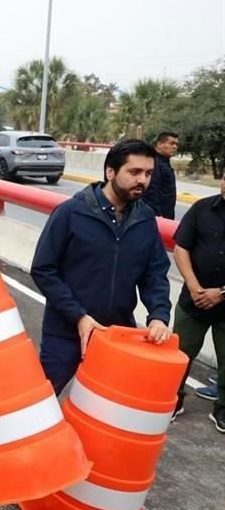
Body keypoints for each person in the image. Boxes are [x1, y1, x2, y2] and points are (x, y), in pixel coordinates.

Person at [31, 139, 173, 395]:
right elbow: (43, 269)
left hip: (116, 335)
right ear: (110, 172)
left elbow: (155, 274)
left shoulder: (145, 218)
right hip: (65, 332)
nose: (143, 180)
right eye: (134, 172)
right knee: (42, 402)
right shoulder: (71, 212)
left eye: (148, 173)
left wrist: (159, 316)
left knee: (105, 411)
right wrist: (78, 316)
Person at [169, 174, 225, 432]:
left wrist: (221, 292)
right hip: (194, 300)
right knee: (180, 354)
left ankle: (222, 410)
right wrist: (193, 287)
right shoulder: (202, 208)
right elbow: (181, 248)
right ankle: (173, 400)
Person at [142, 131, 178, 219]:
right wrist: (157, 215)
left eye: (176, 144)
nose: (175, 147)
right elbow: (150, 192)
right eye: (172, 143)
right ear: (159, 144)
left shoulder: (164, 163)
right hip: (157, 219)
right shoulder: (154, 163)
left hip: (166, 216)